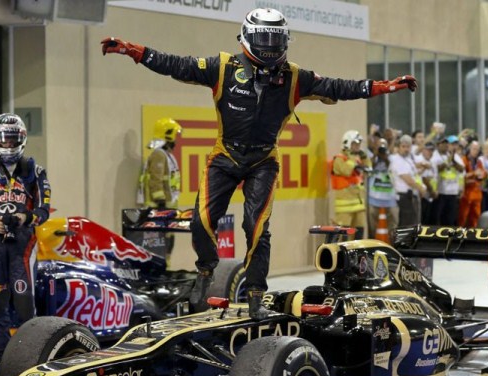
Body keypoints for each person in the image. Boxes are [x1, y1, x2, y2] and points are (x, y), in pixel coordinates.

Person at [101, 7, 417, 319]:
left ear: (285, 41)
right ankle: (206, 271)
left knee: (256, 227)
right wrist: (134, 51)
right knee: (201, 221)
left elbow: (340, 87)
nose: (268, 45)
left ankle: (255, 295)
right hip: (224, 156)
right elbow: (175, 65)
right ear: (247, 37)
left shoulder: (295, 76)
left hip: (263, 161)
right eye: (263, 37)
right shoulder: (222, 67)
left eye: (274, 38)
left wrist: (385, 86)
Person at [0, 113, 51, 376]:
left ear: (22, 139)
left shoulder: (35, 171)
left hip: (23, 243)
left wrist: (26, 217)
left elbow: (44, 209)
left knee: (25, 303)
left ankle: (31, 360)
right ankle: (4, 362)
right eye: (2, 140)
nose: (7, 145)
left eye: (12, 140)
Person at [138, 117, 182, 263]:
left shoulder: (166, 155)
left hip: (167, 208)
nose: (176, 138)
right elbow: (155, 180)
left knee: (169, 240)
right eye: (175, 134)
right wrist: (161, 202)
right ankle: (162, 269)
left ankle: (166, 267)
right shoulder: (158, 154)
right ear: (168, 134)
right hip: (159, 208)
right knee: (161, 242)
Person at [331, 130, 371, 240]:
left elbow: (368, 169)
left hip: (358, 204)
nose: (358, 146)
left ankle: (357, 256)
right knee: (343, 236)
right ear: (347, 143)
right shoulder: (339, 159)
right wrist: (354, 159)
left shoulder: (357, 159)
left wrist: (365, 158)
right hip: (345, 207)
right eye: (355, 144)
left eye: (359, 144)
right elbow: (346, 170)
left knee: (359, 234)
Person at [390, 134, 426, 226]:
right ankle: (404, 241)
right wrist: (421, 188)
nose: (406, 149)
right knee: (406, 225)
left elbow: (414, 175)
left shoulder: (408, 159)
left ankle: (410, 240)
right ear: (398, 147)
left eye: (408, 147)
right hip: (404, 197)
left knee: (414, 224)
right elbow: (408, 180)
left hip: (412, 196)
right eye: (403, 146)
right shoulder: (397, 160)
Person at [367, 138, 398, 241]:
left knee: (393, 221)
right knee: (372, 222)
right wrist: (376, 154)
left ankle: (393, 242)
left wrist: (385, 156)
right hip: (374, 196)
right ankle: (372, 241)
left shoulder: (391, 158)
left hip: (389, 197)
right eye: (380, 145)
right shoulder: (372, 158)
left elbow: (391, 166)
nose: (382, 147)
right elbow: (370, 167)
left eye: (384, 145)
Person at [432, 135, 465, 225]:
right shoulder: (435, 156)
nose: (446, 145)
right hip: (441, 192)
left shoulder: (453, 156)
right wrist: (447, 161)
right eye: (443, 143)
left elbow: (461, 169)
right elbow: (436, 169)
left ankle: (449, 237)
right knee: (438, 217)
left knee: (450, 218)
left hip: (453, 192)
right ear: (438, 144)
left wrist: (453, 161)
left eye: (447, 143)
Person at [458, 141, 486, 227]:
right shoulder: (463, 160)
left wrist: (483, 174)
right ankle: (460, 234)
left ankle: (474, 235)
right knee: (463, 215)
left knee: (476, 216)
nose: (476, 151)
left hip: (477, 193)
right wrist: (474, 173)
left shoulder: (478, 161)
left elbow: (482, 173)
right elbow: (461, 176)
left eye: (477, 149)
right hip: (466, 193)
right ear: (469, 149)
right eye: (474, 149)